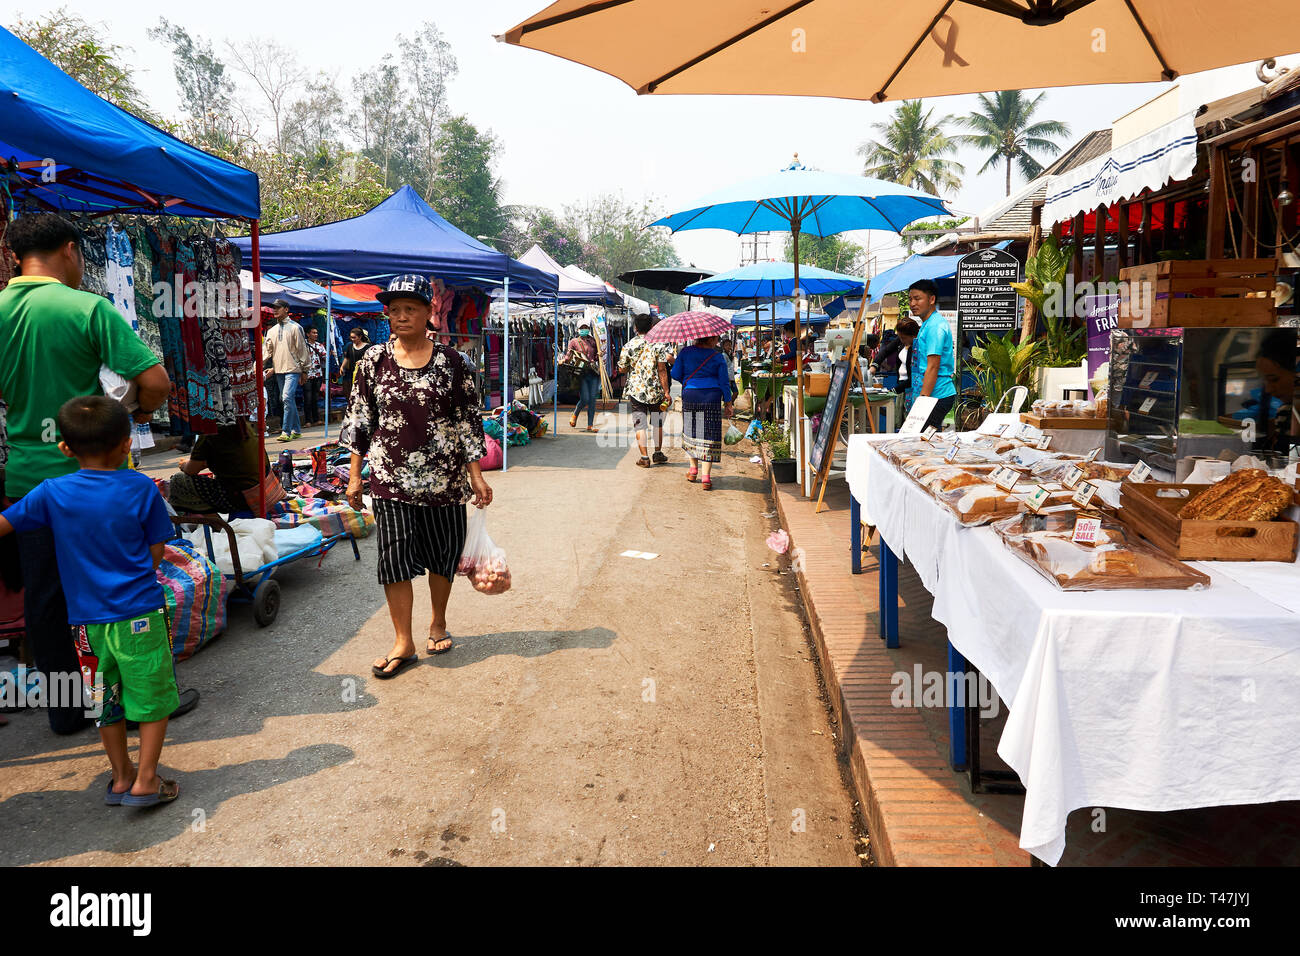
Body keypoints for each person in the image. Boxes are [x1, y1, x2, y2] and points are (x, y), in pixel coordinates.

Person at [0, 213, 178, 735]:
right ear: (72, 251)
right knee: (120, 586)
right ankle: (137, 696)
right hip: (97, 482)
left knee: (46, 597)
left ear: (14, 257)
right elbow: (157, 381)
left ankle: (67, 711)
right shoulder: (87, 307)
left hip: (28, 480)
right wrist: (138, 414)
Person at [0, 397, 180, 805]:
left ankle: (120, 777)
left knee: (104, 699)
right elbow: (156, 552)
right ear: (124, 444)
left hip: (85, 623)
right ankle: (147, 780)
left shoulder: (50, 492)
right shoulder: (140, 487)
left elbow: (4, 525)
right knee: (152, 696)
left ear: (64, 447)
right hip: (140, 615)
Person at [341, 275, 493, 679]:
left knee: (443, 555)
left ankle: (438, 621)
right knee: (394, 559)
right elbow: (359, 421)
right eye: (394, 310)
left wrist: (475, 474)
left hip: (444, 479)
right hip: (390, 478)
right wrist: (356, 477)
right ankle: (402, 641)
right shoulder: (371, 361)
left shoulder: (453, 362)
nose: (401, 316)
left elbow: (467, 422)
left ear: (429, 313)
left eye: (410, 308)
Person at [671, 335, 734, 491]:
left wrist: (688, 381)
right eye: (716, 339)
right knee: (709, 434)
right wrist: (728, 403)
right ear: (711, 340)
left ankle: (693, 471)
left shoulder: (685, 352)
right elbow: (724, 382)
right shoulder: (717, 356)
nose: (717, 342)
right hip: (712, 397)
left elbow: (675, 373)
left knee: (692, 431)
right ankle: (706, 477)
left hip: (690, 394)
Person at [167, 419, 270, 514]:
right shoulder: (243, 424)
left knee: (178, 480)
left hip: (241, 497)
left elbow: (191, 470)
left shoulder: (211, 431)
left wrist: (184, 465)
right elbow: (227, 458)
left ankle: (217, 524)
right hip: (263, 488)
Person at [617, 314, 673, 467]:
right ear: (651, 327)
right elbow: (662, 370)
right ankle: (658, 453)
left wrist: (631, 366)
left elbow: (621, 369)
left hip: (636, 390)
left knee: (640, 424)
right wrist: (666, 392)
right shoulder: (658, 345)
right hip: (656, 390)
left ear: (635, 328)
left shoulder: (628, 346)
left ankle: (644, 458)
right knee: (657, 423)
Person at [906, 280, 956, 429]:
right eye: (910, 299)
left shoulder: (935, 326)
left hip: (937, 394)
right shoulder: (927, 324)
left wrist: (922, 403)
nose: (912, 303)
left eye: (917, 298)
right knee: (927, 441)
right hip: (931, 394)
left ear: (931, 299)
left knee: (924, 439)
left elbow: (933, 366)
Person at [263, 299, 310, 443]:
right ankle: (296, 430)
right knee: (287, 399)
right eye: (274, 308)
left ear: (286, 309)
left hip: (293, 369)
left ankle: (286, 430)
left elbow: (303, 350)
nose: (275, 310)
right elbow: (266, 351)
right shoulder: (271, 331)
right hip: (279, 370)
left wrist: (305, 370)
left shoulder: (296, 327)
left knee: (286, 398)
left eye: (278, 308)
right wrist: (258, 365)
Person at [565, 317, 602, 433]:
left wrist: (600, 354)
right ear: (578, 329)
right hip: (581, 374)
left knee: (592, 399)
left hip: (593, 373)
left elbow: (596, 356)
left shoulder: (593, 340)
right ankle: (575, 413)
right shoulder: (573, 341)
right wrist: (563, 360)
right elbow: (569, 355)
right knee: (585, 398)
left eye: (586, 327)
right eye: (582, 328)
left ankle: (590, 425)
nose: (584, 329)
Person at [303, 326, 328, 427]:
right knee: (307, 398)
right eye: (313, 333)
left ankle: (316, 419)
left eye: (316, 333)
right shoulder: (303, 345)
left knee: (315, 398)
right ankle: (308, 421)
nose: (316, 334)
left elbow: (326, 358)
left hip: (318, 374)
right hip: (306, 375)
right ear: (308, 334)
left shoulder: (320, 345)